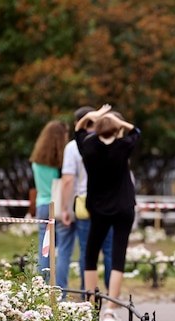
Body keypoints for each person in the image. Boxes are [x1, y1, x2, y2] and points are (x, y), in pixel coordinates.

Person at [75, 105, 140, 321]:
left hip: (98, 208)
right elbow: (136, 132)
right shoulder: (123, 147)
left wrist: (92, 116)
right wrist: (119, 123)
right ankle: (111, 311)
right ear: (116, 129)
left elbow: (79, 128)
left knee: (91, 254)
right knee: (118, 255)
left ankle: (91, 306)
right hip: (123, 206)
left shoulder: (89, 147)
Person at [58, 107, 113, 297]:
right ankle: (111, 293)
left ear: (77, 123)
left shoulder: (73, 147)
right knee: (109, 250)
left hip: (85, 203)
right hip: (109, 202)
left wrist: (65, 208)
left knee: (87, 251)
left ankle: (87, 294)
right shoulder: (108, 139)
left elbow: (68, 180)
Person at [29, 120, 69, 276]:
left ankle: (42, 285)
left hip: (41, 205)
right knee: (64, 249)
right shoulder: (61, 162)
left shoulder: (37, 161)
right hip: (58, 206)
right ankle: (59, 288)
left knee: (44, 249)